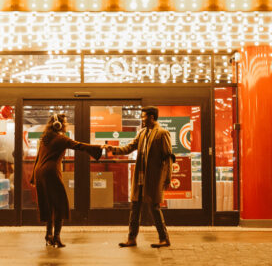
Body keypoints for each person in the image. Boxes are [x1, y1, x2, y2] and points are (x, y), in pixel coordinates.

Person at [105, 106, 175, 248]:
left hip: (154, 178)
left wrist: (167, 177)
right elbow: (129, 147)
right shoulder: (142, 132)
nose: (141, 119)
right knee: (135, 206)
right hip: (140, 177)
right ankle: (132, 238)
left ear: (151, 117)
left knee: (154, 207)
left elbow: (168, 158)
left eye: (143, 116)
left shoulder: (162, 133)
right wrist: (114, 149)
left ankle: (164, 238)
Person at [30, 113, 102, 247]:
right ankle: (56, 237)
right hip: (51, 172)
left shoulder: (44, 138)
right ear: (58, 125)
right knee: (60, 204)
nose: (66, 125)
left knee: (48, 204)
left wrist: (33, 177)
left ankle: (48, 235)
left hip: (39, 172)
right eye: (65, 123)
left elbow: (38, 158)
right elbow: (79, 145)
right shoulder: (61, 139)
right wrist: (99, 148)